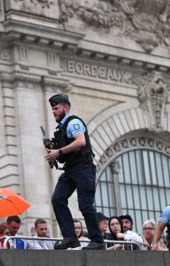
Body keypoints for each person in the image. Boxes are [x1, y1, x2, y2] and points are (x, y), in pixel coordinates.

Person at [45, 94, 104, 250]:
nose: (54, 112)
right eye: (52, 109)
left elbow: (81, 141)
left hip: (83, 168)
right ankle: (70, 237)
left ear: (66, 107)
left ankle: (97, 241)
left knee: (85, 205)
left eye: (56, 108)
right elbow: (64, 152)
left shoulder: (73, 122)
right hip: (71, 169)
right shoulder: (61, 128)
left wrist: (59, 151)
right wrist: (54, 154)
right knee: (57, 199)